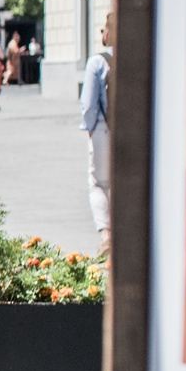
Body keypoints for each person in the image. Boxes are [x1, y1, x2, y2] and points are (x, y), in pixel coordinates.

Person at [81, 17, 114, 249]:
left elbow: (89, 104)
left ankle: (106, 235)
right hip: (138, 132)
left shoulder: (98, 62)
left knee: (99, 183)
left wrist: (90, 128)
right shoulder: (144, 56)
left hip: (103, 128)